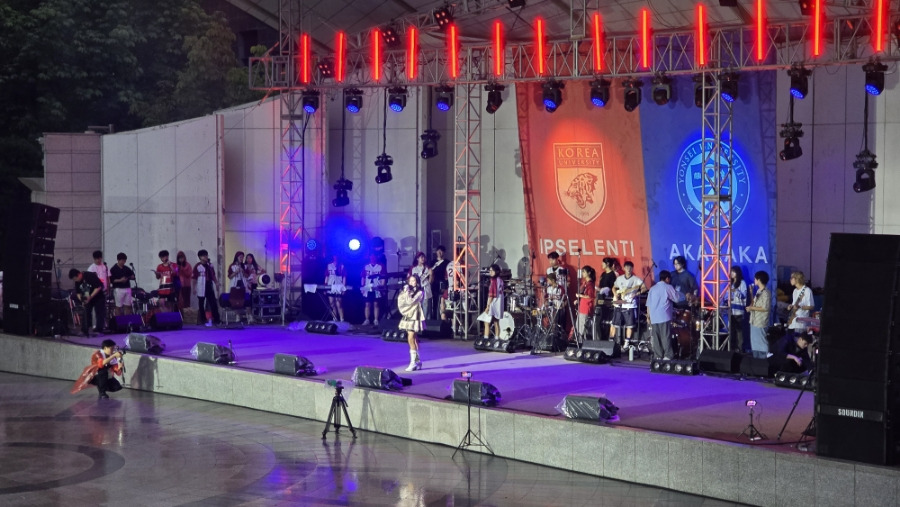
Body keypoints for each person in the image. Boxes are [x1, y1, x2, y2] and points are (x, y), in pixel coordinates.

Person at [646, 270, 684, 360]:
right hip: (664, 316)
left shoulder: (652, 288)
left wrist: (648, 317)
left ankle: (658, 356)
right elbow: (677, 299)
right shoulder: (668, 287)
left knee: (656, 338)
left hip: (654, 317)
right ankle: (668, 355)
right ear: (667, 278)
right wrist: (682, 294)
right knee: (665, 336)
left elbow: (648, 304)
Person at [610, 261, 647, 347]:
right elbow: (614, 287)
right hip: (619, 303)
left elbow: (644, 288)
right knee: (614, 323)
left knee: (629, 325)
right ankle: (611, 340)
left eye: (630, 267)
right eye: (626, 267)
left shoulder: (636, 279)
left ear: (632, 268)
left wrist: (636, 294)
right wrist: (615, 294)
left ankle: (626, 342)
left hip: (630, 304)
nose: (628, 269)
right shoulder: (620, 278)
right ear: (624, 268)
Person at [398, 274, 426, 371]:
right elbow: (402, 300)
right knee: (414, 339)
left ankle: (413, 363)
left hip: (415, 316)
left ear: (417, 282)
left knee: (410, 338)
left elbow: (410, 301)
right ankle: (418, 361)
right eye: (410, 281)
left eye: (413, 281)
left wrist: (407, 292)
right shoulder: (409, 291)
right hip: (408, 315)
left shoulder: (420, 292)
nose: (411, 282)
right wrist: (406, 292)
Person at [69, 268, 106, 336]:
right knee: (86, 312)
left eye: (75, 278)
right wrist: (82, 300)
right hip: (87, 297)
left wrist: (91, 296)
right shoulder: (77, 281)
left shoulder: (89, 275)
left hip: (98, 296)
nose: (75, 280)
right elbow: (78, 292)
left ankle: (99, 330)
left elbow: (98, 287)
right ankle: (84, 330)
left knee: (99, 313)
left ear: (79, 274)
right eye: (74, 279)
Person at [746, 271, 772, 358]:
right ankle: (756, 359)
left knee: (761, 341)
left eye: (755, 279)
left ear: (759, 280)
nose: (754, 280)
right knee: (754, 342)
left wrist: (752, 308)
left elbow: (765, 307)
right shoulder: (758, 291)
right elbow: (754, 304)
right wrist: (751, 293)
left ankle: (764, 358)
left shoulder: (766, 293)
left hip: (760, 321)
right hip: (754, 320)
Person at [193, 249, 221, 327]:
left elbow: (213, 275)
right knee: (201, 303)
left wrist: (216, 283)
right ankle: (203, 319)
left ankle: (217, 319)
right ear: (200, 257)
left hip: (209, 284)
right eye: (203, 256)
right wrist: (193, 288)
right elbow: (194, 278)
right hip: (201, 285)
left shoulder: (210, 265)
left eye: (206, 255)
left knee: (213, 302)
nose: (205, 257)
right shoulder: (197, 266)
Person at [786, 271, 814, 341]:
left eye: (792, 278)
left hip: (801, 323)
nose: (790, 280)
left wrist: (800, 307)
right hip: (792, 322)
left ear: (797, 279)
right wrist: (791, 306)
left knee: (799, 341)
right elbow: (794, 304)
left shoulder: (807, 290)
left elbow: (811, 306)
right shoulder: (795, 291)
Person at [361, 252, 385, 326]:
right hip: (367, 287)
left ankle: (376, 320)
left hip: (376, 287)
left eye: (374, 258)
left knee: (376, 304)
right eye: (371, 258)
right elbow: (363, 277)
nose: (372, 259)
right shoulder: (366, 267)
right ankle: (367, 319)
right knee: (367, 304)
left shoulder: (380, 267)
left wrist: (382, 286)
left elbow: (383, 278)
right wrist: (362, 287)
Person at [727, 266, 748, 353]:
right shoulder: (730, 283)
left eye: (734, 272)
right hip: (731, 310)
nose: (732, 273)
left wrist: (735, 291)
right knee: (731, 330)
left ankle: (740, 348)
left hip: (739, 311)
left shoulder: (742, 283)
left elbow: (743, 296)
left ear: (738, 273)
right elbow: (727, 296)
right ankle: (732, 348)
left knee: (739, 330)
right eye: (731, 271)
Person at [482, 264, 504, 340]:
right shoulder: (500, 280)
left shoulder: (493, 281)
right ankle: (497, 339)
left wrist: (488, 306)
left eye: (492, 270)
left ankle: (486, 339)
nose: (490, 272)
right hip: (499, 303)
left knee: (486, 322)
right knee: (496, 322)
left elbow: (491, 295)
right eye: (490, 270)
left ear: (496, 271)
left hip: (493, 304)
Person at [574, 266, 596, 341]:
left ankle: (583, 343)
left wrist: (580, 295)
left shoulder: (590, 284)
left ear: (588, 273)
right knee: (578, 326)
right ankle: (579, 341)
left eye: (584, 272)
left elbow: (590, 296)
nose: (582, 273)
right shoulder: (585, 283)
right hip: (582, 307)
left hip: (586, 308)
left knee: (583, 328)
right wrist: (578, 299)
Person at [410, 252, 433, 319]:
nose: (423, 258)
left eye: (424, 257)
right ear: (417, 258)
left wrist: (431, 274)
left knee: (427, 310)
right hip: (418, 291)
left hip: (426, 290)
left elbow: (430, 281)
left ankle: (427, 323)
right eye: (421, 257)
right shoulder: (414, 269)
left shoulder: (427, 268)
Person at [324, 254, 346, 322]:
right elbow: (326, 276)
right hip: (330, 285)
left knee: (339, 303)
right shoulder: (329, 266)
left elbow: (344, 277)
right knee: (332, 303)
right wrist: (325, 287)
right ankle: (335, 318)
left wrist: (343, 287)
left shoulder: (342, 266)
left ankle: (342, 319)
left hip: (339, 286)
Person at [431, 246, 448, 318]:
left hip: (444, 284)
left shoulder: (447, 262)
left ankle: (443, 318)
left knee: (443, 302)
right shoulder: (432, 262)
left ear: (444, 252)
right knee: (434, 302)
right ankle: (434, 318)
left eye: (441, 251)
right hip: (434, 284)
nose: (440, 252)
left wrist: (445, 285)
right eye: (438, 251)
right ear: (436, 252)